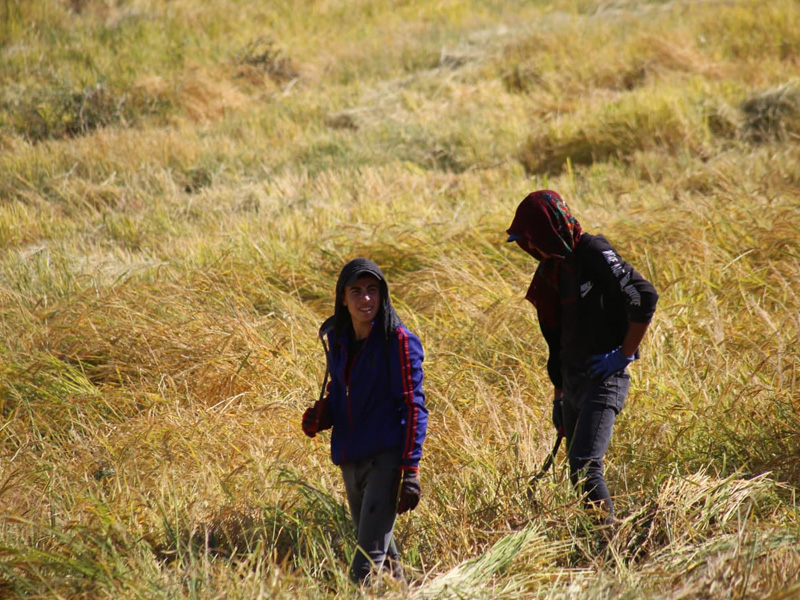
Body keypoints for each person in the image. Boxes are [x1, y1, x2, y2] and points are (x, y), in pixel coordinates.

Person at [506, 190, 658, 524]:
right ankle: (597, 540)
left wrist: (624, 354)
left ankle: (611, 543)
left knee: (586, 467)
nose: (530, 249)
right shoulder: (554, 273)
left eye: (532, 239)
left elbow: (643, 296)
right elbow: (556, 340)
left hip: (604, 378)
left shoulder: (593, 252)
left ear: (550, 229)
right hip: (573, 380)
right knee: (577, 474)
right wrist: (559, 397)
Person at [301, 258, 428, 584]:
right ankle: (406, 591)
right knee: (384, 560)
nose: (365, 298)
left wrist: (410, 470)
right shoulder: (339, 339)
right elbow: (342, 394)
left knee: (365, 564)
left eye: (373, 290)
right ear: (343, 298)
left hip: (384, 460)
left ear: (383, 295)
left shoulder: (398, 341)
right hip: (350, 459)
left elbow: (415, 406)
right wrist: (323, 416)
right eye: (356, 291)